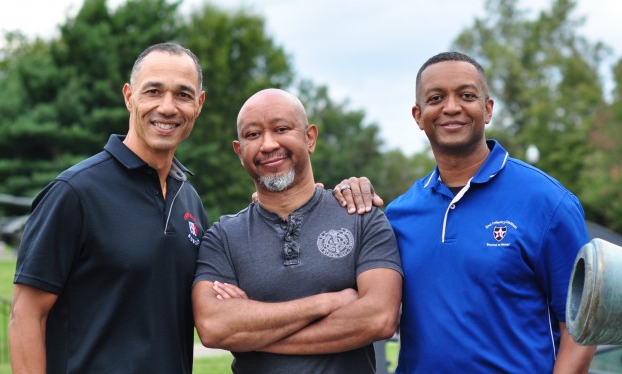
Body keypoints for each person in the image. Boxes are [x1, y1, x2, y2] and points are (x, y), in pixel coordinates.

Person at [338, 51, 597, 373]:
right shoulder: (399, 214)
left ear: (487, 109)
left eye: (466, 95)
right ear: (418, 116)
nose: (451, 107)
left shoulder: (547, 202)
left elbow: (580, 329)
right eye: (436, 98)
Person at [9, 42, 209, 373]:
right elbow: (26, 315)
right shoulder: (74, 193)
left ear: (199, 104)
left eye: (183, 95)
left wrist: (282, 206)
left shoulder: (188, 199)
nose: (168, 107)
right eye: (154, 91)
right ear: (129, 96)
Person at [192, 88, 403, 373]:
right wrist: (329, 302)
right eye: (253, 135)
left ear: (310, 138)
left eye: (281, 129)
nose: (268, 144)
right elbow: (214, 327)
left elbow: (378, 319)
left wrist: (252, 333)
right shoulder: (222, 238)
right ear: (239, 151)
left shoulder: (363, 219)